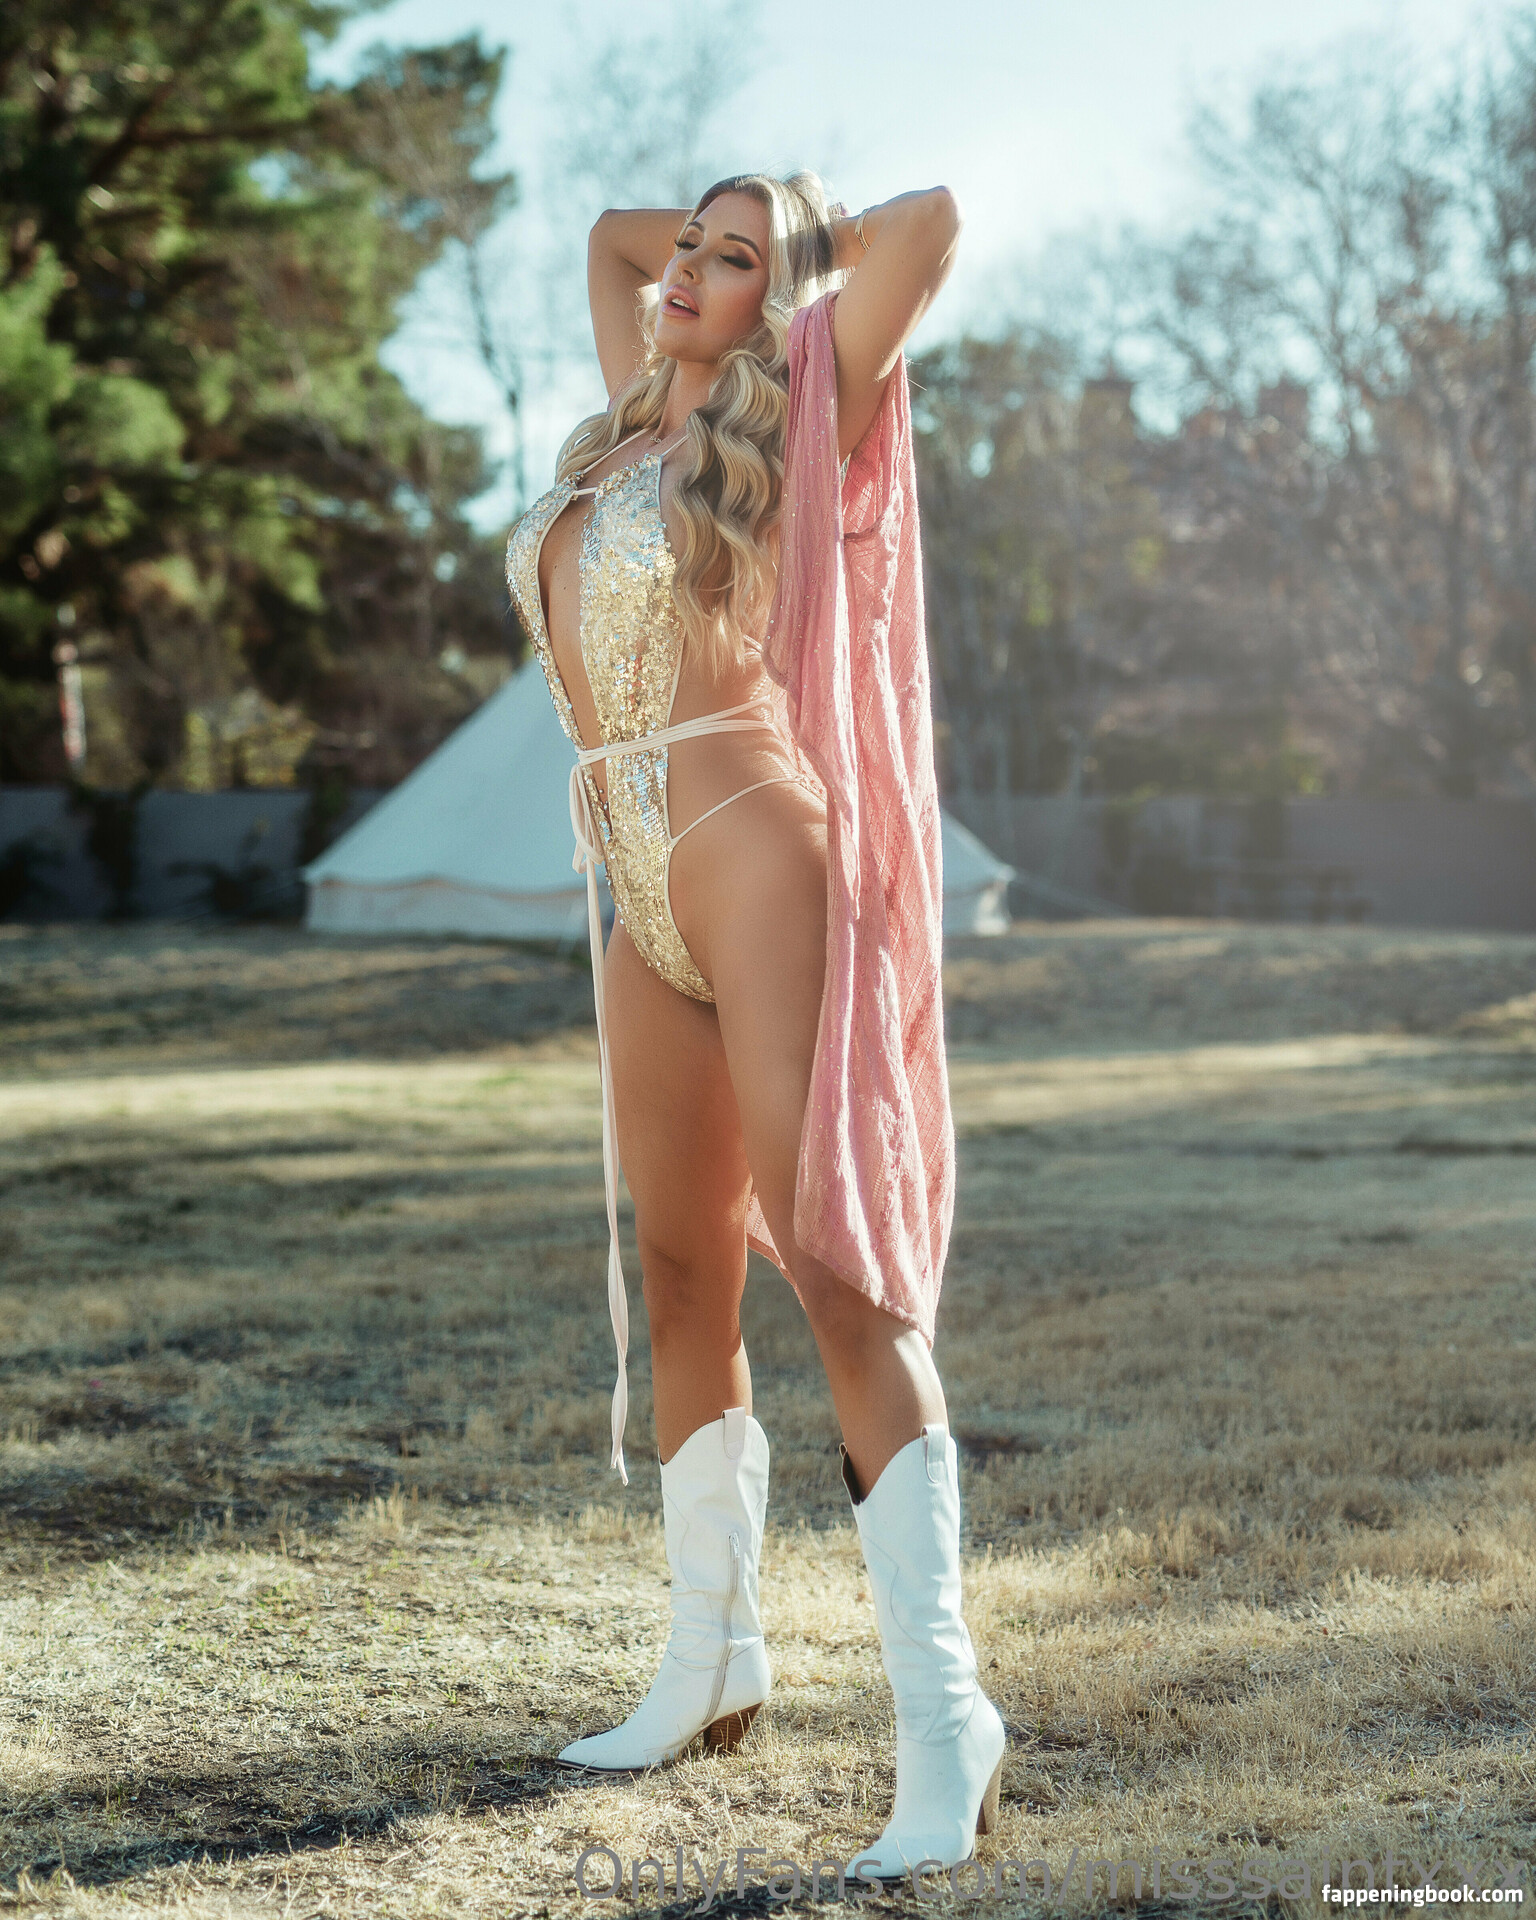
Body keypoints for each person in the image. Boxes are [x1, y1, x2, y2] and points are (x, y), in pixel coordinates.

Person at [503, 170, 1004, 1878]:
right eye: (692, 253)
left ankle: (946, 1718)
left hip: (751, 848)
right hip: (633, 864)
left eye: (730, 260)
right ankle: (712, 1658)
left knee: (830, 1260)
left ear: (777, 290)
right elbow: (608, 242)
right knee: (680, 1269)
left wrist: (796, 250)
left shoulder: (795, 405)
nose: (683, 275)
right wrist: (719, 243)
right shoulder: (632, 423)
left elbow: (931, 225)